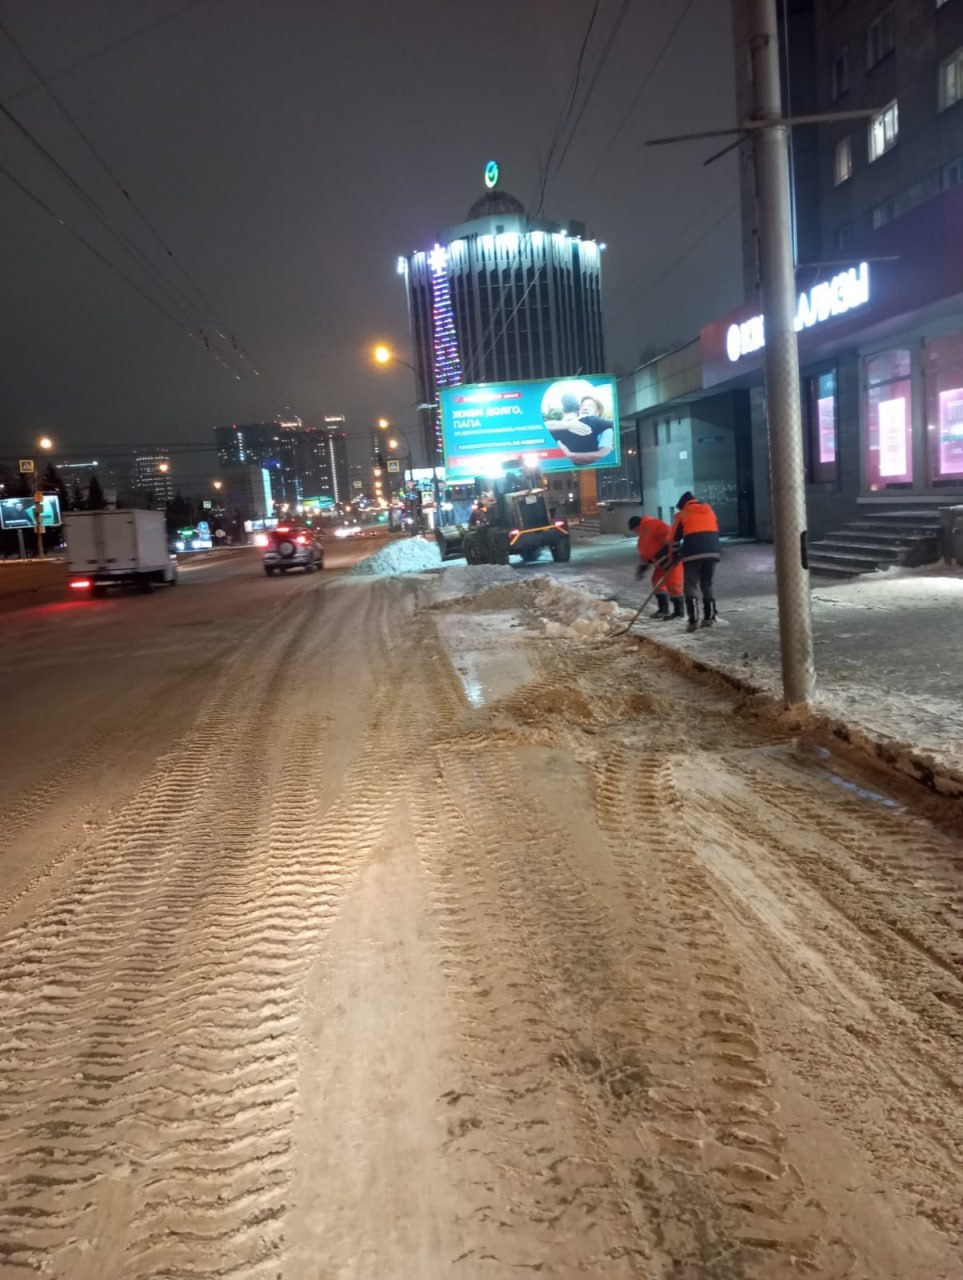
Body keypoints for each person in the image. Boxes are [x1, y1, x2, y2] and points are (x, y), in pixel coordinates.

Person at [670, 491, 721, 633]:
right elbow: (715, 530)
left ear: (683, 505)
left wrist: (674, 556)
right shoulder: (709, 511)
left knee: (690, 585)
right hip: (713, 552)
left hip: (692, 553)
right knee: (707, 584)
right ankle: (709, 617)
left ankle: (693, 621)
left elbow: (674, 539)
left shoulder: (683, 514)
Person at [628, 515, 685, 620]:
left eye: (634, 530)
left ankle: (679, 611)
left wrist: (671, 552)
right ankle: (663, 609)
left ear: (637, 525)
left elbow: (670, 536)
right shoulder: (642, 539)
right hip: (660, 563)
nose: (635, 532)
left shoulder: (653, 524)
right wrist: (642, 568)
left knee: (674, 585)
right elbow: (645, 555)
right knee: (656, 582)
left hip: (671, 560)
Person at [546, 393, 614, 465]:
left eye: (590, 406)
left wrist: (570, 455)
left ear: (597, 413)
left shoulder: (603, 427)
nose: (585, 408)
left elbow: (604, 454)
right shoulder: (562, 426)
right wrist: (568, 425)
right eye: (582, 406)